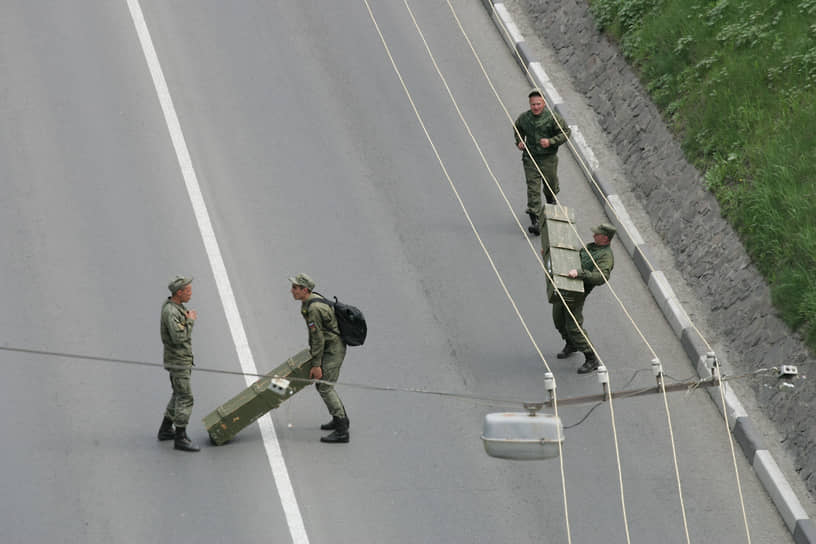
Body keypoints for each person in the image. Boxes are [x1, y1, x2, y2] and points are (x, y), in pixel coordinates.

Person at [289, 273, 350, 444]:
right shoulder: (311, 300)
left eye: (295, 288)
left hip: (333, 350)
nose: (292, 290)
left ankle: (342, 430)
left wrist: (316, 365)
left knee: (325, 387)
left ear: (305, 290)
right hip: (330, 347)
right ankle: (340, 419)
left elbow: (317, 338)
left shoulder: (313, 308)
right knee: (323, 386)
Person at [550, 224, 615, 374]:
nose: (593, 236)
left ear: (605, 238)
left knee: (574, 325)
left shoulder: (606, 256)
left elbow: (601, 277)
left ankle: (591, 358)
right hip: (567, 285)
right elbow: (575, 257)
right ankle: (571, 344)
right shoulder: (591, 247)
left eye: (597, 234)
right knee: (558, 319)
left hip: (579, 292)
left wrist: (580, 273)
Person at [514, 90, 571, 236]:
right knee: (533, 188)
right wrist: (519, 141)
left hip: (548, 159)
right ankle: (535, 221)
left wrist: (550, 142)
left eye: (538, 104)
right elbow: (517, 129)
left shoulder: (552, 118)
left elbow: (565, 132)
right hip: (530, 159)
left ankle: (551, 202)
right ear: (530, 104)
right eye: (533, 104)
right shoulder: (524, 118)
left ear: (544, 103)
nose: (536, 107)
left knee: (550, 185)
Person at [158, 275, 200, 452]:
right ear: (179, 292)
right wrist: (190, 320)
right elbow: (178, 337)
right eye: (188, 291)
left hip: (180, 359)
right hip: (178, 361)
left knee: (178, 394)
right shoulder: (171, 312)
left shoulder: (175, 307)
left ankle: (166, 428)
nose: (191, 294)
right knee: (185, 397)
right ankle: (180, 437)